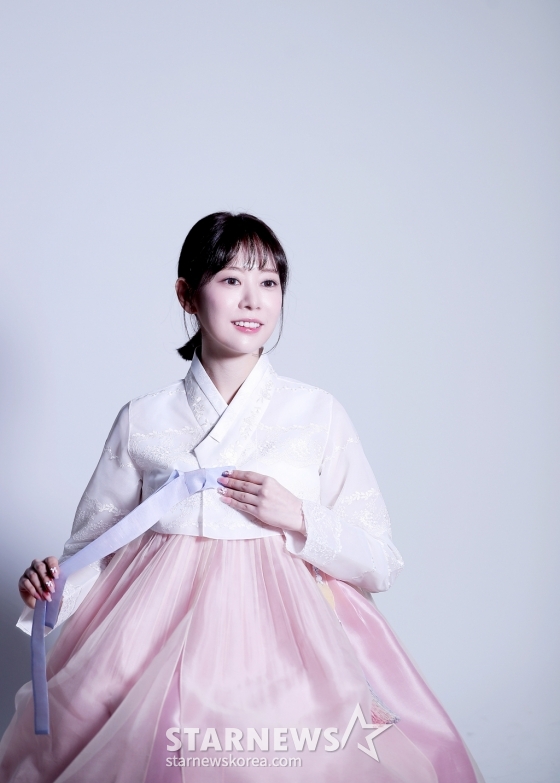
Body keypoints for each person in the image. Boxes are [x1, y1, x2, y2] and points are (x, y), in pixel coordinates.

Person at [0, 213, 485, 782]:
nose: (253, 300)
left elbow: (380, 560)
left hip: (292, 639)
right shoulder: (144, 418)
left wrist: (298, 516)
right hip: (149, 634)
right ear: (187, 294)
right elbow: (94, 550)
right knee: (131, 728)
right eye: (231, 279)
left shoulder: (317, 413)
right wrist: (49, 588)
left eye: (269, 282)